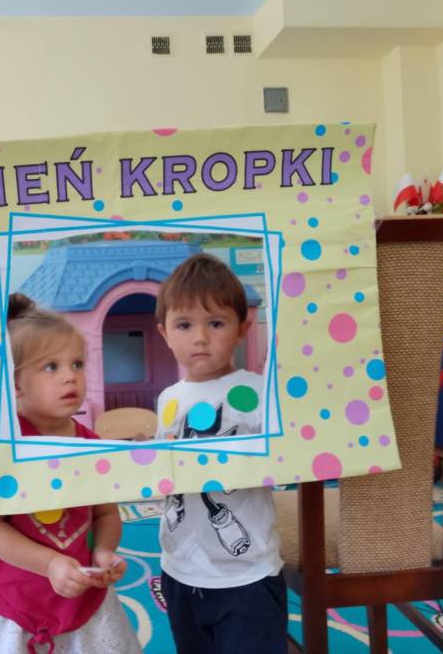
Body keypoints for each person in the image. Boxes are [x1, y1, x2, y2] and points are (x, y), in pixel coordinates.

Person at [0, 293, 142, 654]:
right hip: (16, 605)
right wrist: (49, 563)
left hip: (85, 605)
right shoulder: (3, 445)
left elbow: (106, 514)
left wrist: (104, 552)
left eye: (76, 364)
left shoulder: (91, 444)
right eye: (51, 367)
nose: (69, 377)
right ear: (16, 383)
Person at [155, 253, 286, 653]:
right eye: (184, 325)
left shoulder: (260, 392)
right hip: (179, 569)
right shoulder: (168, 399)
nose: (200, 337)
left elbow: (284, 463)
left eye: (215, 323)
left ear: (242, 328)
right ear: (164, 333)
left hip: (248, 575)